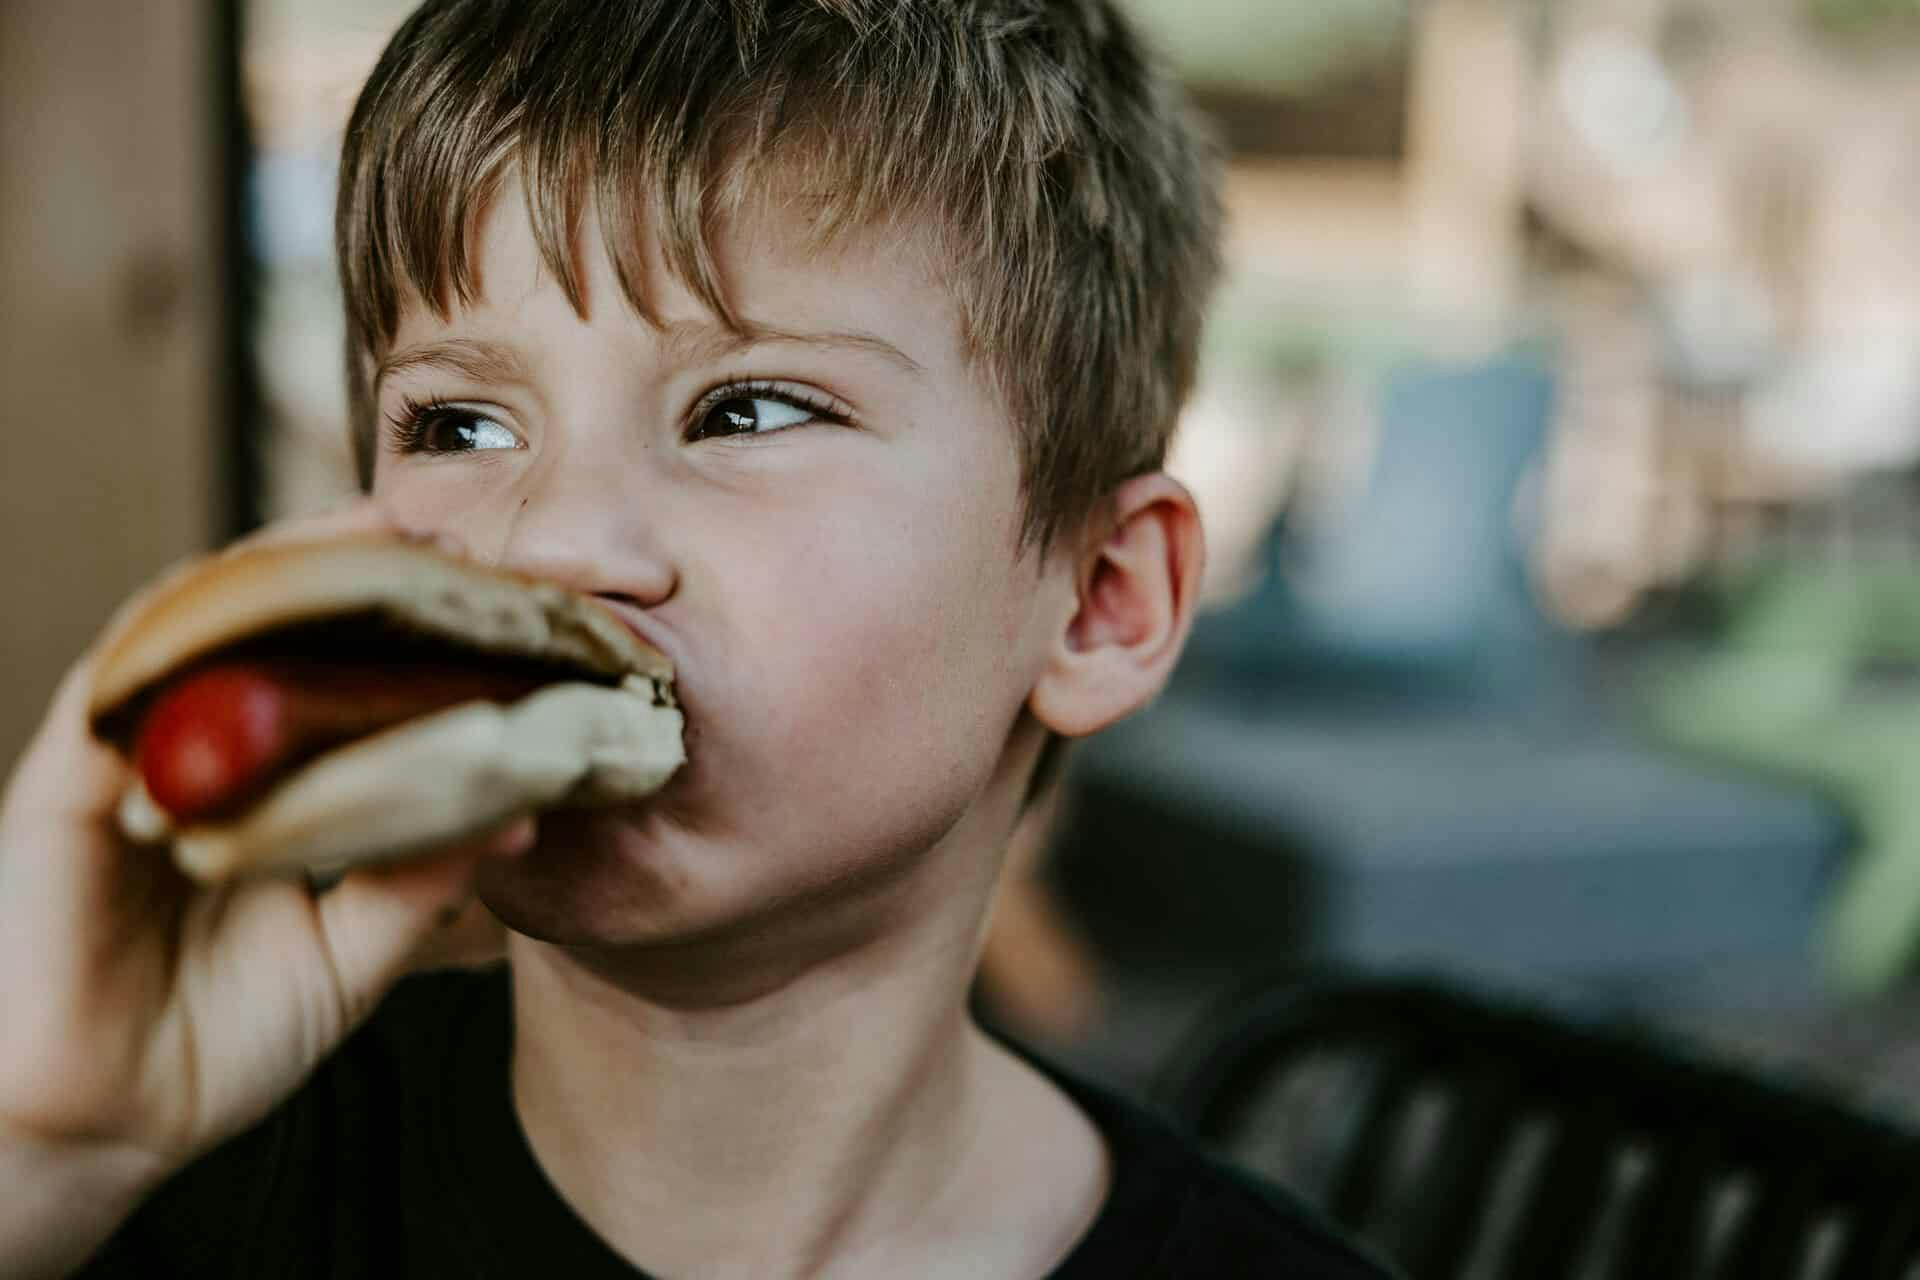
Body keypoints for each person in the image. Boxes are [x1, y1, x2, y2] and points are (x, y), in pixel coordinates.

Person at [0, 2, 1394, 1276]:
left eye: (750, 410)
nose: (552, 540)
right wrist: (43, 1158)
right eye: (458, 425)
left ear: (1100, 602)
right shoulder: (165, 1186)